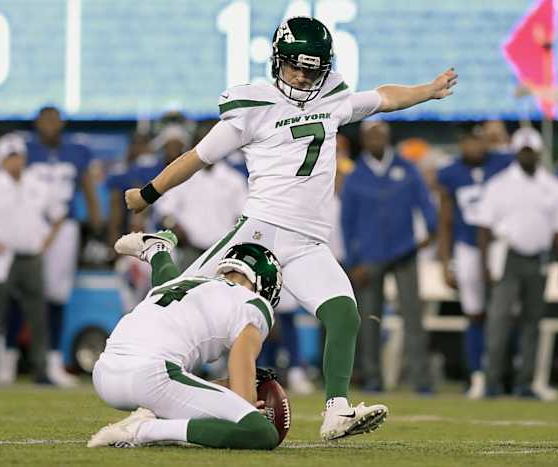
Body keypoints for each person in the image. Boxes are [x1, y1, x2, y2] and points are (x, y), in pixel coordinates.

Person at [125, 16, 456, 440]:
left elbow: (383, 98)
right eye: (294, 66)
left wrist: (426, 91)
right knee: (179, 301)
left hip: (306, 241)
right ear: (276, 61)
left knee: (343, 314)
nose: (300, 76)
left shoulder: (334, 97)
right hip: (259, 233)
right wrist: (148, 194)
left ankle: (336, 410)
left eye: (310, 68)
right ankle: (146, 398)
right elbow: (197, 157)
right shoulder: (253, 107)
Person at [88, 232, 284, 449]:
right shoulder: (254, 304)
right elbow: (241, 356)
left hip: (104, 375)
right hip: (151, 377)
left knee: (181, 390)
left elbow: (164, 275)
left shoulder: (184, 283)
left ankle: (156, 249)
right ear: (264, 286)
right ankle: (143, 430)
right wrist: (245, 406)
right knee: (261, 433)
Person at [0, 133, 67, 385]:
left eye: (18, 157)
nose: (15, 162)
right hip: (2, 258)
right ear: (2, 160)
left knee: (37, 317)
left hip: (31, 258)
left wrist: (47, 241)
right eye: (10, 157)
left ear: (24, 158)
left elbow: (59, 212)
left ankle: (41, 371)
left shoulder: (38, 184)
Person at [341, 120, 437, 394]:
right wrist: (353, 260)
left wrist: (430, 227)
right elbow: (347, 222)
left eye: (380, 135)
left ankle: (421, 379)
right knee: (370, 318)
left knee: (413, 315)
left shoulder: (407, 169)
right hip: (369, 255)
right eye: (370, 136)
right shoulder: (357, 175)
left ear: (388, 136)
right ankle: (373, 377)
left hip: (405, 250)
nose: (376, 141)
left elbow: (425, 202)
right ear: (364, 139)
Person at [476, 127, 558, 398]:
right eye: (523, 151)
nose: (528, 156)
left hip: (538, 258)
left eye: (532, 152)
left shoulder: (551, 186)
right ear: (516, 153)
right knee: (499, 319)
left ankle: (524, 383)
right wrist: (484, 265)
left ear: (539, 153)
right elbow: (484, 229)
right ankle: (492, 380)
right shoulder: (500, 184)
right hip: (507, 256)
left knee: (533, 321)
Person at [26, 105, 102, 387]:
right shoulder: (25, 149)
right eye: (45, 120)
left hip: (65, 227)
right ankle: (12, 357)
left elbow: (87, 186)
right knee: (25, 290)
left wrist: (96, 218)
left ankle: (53, 358)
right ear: (37, 123)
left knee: (56, 294)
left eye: (55, 120)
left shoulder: (77, 151)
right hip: (30, 225)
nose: (50, 125)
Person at [436, 130, 513, 398]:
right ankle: (477, 373)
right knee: (475, 314)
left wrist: (499, 132)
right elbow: (445, 220)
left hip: (499, 246)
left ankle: (502, 374)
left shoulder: (502, 162)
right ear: (461, 143)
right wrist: (445, 261)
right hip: (468, 247)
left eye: (478, 139)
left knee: (503, 314)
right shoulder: (451, 172)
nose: (474, 145)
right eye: (469, 140)